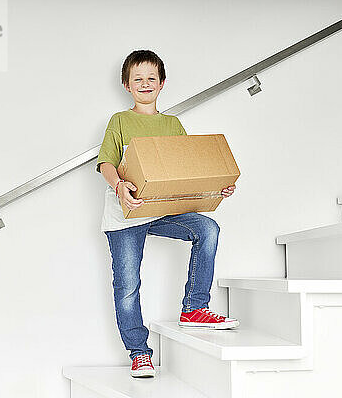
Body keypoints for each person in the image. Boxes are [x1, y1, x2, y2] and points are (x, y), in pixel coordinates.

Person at [96, 50, 238, 378]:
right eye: (137, 79)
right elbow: (106, 162)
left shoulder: (172, 124)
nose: (145, 84)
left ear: (162, 84)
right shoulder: (119, 120)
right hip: (126, 212)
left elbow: (183, 171)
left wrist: (216, 188)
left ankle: (195, 308)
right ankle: (139, 352)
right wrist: (119, 186)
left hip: (161, 210)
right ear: (126, 84)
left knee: (208, 228)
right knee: (127, 284)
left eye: (151, 79)